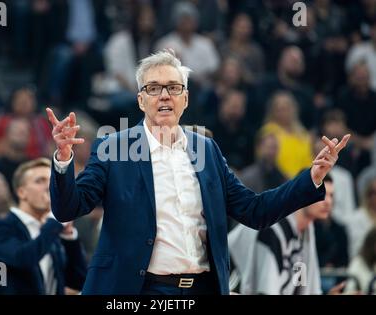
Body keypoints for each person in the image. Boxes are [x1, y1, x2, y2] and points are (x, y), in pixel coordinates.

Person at [46, 50, 350, 295]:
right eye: (154, 88)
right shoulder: (113, 147)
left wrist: (312, 176)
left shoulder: (207, 149)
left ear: (185, 98)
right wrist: (63, 159)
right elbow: (69, 208)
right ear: (141, 100)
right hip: (139, 290)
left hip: (203, 287)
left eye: (173, 88)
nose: (164, 95)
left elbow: (255, 211)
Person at [0, 158, 87, 295]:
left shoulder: (51, 230)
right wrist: (54, 222)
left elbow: (78, 281)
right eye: (40, 181)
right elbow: (22, 259)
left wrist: (68, 238)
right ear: (21, 192)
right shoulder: (2, 227)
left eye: (51, 181)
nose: (48, 187)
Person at [228, 175, 340, 294]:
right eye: (322, 193)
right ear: (304, 193)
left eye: (331, 195)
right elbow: (266, 291)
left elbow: (300, 285)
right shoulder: (274, 230)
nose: (328, 202)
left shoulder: (306, 232)